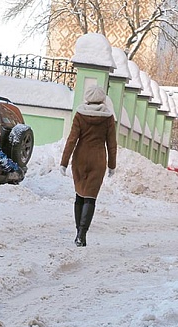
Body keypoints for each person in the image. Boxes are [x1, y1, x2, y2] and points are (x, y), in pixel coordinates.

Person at [60, 85, 117, 247]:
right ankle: (82, 234)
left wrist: (64, 162)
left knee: (79, 195)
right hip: (98, 159)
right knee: (90, 198)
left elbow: (72, 139)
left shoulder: (79, 114)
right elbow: (111, 144)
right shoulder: (108, 117)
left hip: (80, 158)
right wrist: (112, 165)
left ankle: (78, 230)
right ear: (102, 99)